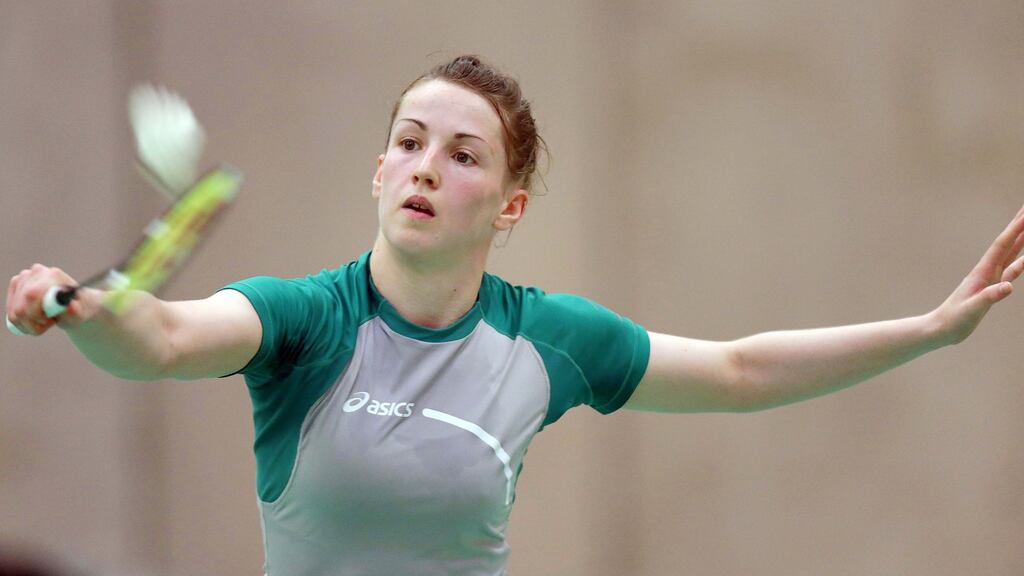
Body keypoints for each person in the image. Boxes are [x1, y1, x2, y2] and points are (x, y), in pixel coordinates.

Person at [5, 55, 1024, 576]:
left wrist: (928, 330)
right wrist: (86, 313)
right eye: (407, 143)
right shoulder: (307, 319)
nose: (424, 168)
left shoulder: (547, 341)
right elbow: (166, 339)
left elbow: (738, 371)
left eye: (461, 155)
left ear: (509, 205)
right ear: (377, 168)